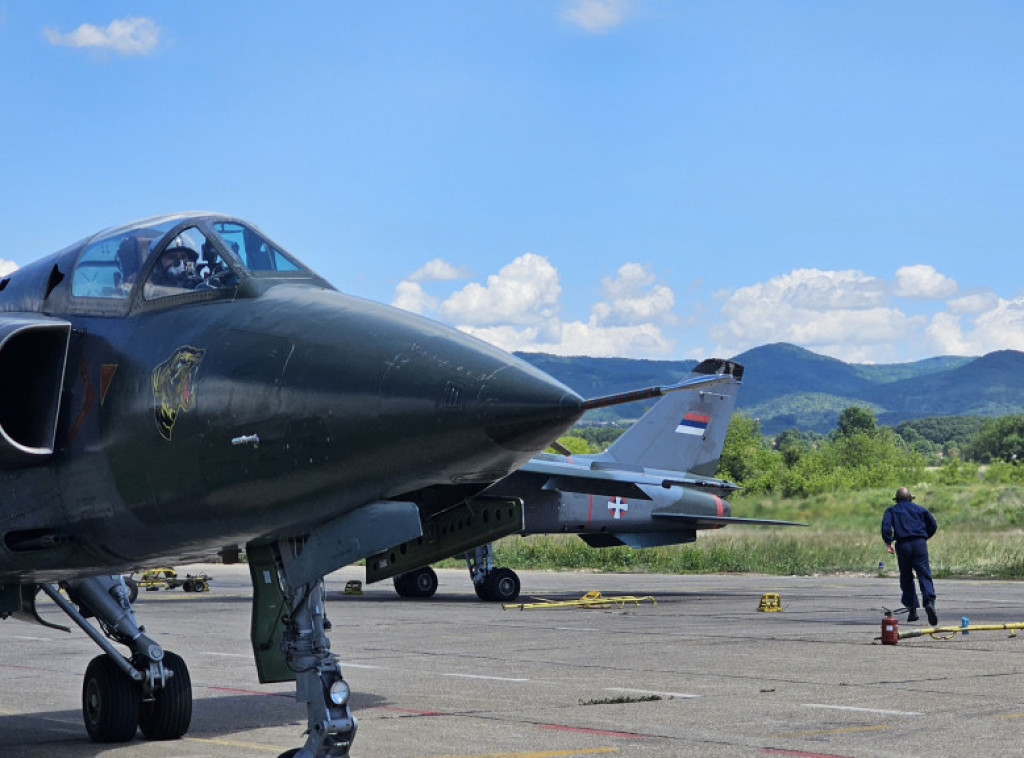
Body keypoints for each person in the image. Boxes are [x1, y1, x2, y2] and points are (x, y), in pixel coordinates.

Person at [881, 486, 938, 624]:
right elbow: (933, 525)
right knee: (924, 574)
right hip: (919, 544)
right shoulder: (921, 509)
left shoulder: (891, 511)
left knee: (906, 577)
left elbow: (886, 527)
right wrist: (924, 537)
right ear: (910, 498)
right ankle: (929, 603)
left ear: (897, 499)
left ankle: (912, 609)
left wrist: (888, 543)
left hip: (903, 545)